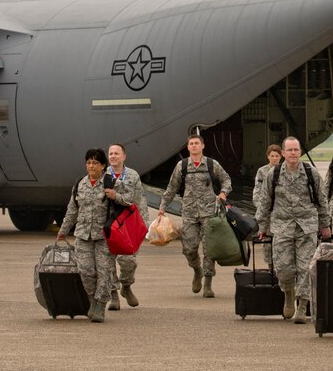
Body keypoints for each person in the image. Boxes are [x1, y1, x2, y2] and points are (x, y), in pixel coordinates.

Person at [255, 137, 331, 323]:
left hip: (306, 226)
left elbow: (322, 200)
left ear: (300, 152)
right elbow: (264, 202)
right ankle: (288, 293)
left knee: (306, 268)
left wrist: (325, 225)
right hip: (282, 227)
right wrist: (263, 226)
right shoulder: (273, 174)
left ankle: (302, 306)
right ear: (283, 153)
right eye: (289, 150)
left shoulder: (310, 173)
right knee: (283, 268)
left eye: (296, 150)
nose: (293, 153)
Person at [158, 134, 232, 298]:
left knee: (209, 250)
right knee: (189, 248)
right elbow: (172, 188)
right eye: (191, 144)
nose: (194, 146)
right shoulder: (182, 166)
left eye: (197, 143)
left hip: (209, 214)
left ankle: (207, 283)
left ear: (203, 146)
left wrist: (223, 193)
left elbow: (226, 180)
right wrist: (163, 206)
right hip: (189, 214)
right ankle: (197, 270)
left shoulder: (212, 164)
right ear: (188, 147)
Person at [57, 148, 114, 323]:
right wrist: (63, 230)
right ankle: (92, 299)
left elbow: (128, 202)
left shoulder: (111, 182)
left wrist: (116, 196)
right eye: (88, 162)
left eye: (95, 162)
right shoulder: (80, 184)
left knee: (104, 272)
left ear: (103, 165)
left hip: (105, 236)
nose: (91, 166)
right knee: (86, 271)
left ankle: (100, 305)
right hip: (83, 235)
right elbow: (72, 210)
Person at [105, 143, 148, 310]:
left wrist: (143, 225)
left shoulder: (132, 175)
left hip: (126, 224)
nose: (113, 156)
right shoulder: (104, 174)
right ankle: (113, 294)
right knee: (107, 262)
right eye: (111, 154)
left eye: (116, 153)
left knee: (128, 261)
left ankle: (126, 286)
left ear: (124, 156)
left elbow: (138, 199)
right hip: (108, 224)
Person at [252, 144, 283, 267]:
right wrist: (261, 208)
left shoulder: (284, 170)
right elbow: (257, 191)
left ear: (281, 157)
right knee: (267, 243)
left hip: (281, 212)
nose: (274, 158)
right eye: (272, 156)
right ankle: (271, 268)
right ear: (268, 156)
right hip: (267, 214)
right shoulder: (262, 171)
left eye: (276, 156)